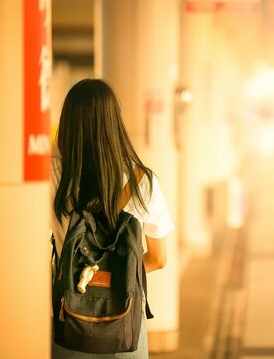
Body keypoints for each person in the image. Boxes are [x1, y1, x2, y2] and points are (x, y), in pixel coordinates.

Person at [50, 78, 174, 358]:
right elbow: (158, 259)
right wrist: (111, 276)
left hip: (68, 318)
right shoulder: (143, 180)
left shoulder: (53, 176)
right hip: (125, 320)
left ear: (68, 124)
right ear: (114, 124)